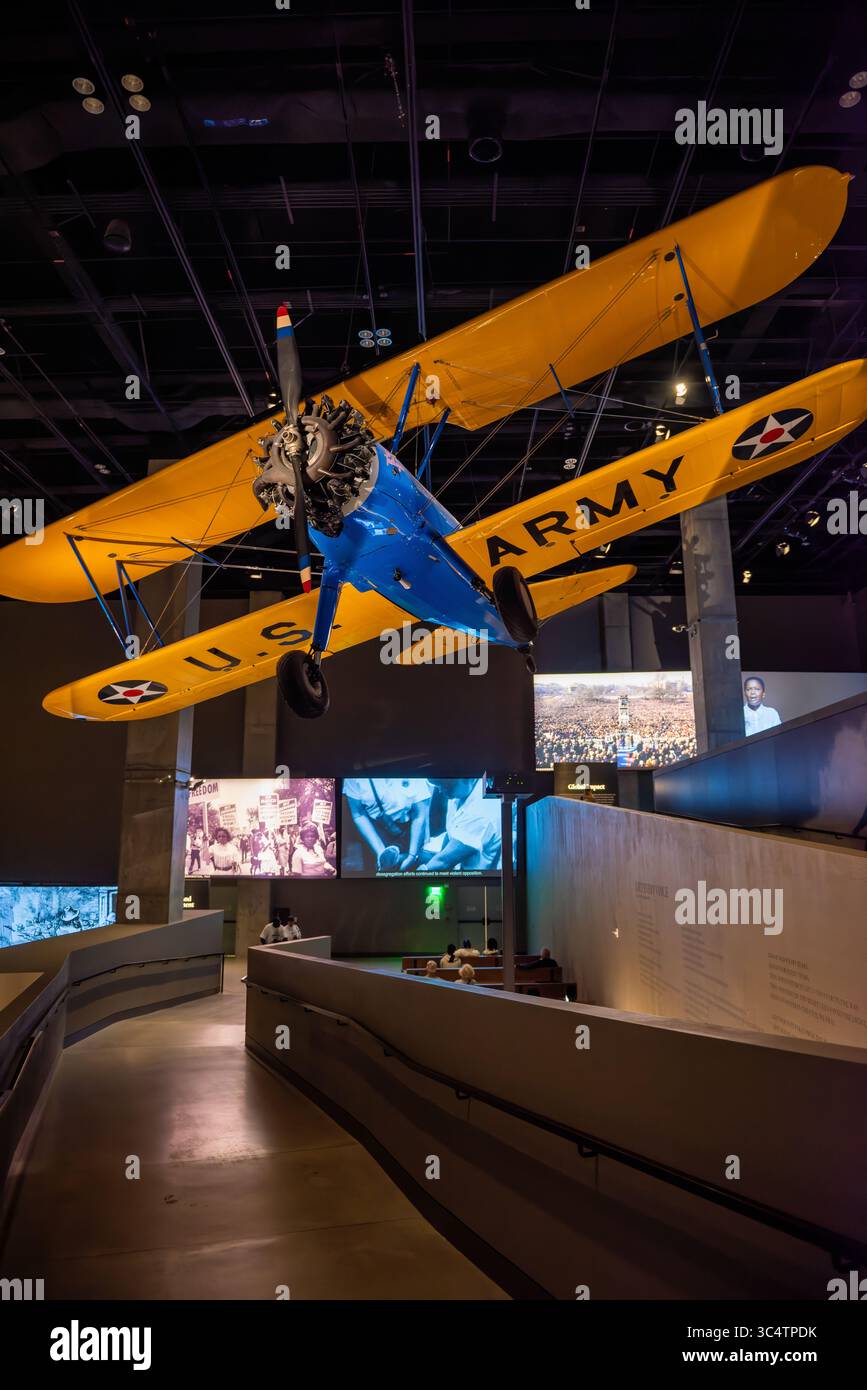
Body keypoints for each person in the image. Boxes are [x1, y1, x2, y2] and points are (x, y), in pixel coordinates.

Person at [343, 777, 433, 873]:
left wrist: (412, 856)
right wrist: (380, 852)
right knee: (379, 874)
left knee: (407, 872)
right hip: (374, 831)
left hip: (408, 830)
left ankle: (400, 859)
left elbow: (419, 815)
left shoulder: (413, 774)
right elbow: (358, 814)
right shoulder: (354, 778)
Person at [425, 778, 501, 871]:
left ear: (468, 779)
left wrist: (417, 873)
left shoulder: (481, 810)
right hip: (457, 867)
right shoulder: (457, 792)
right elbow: (451, 835)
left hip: (475, 877)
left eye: (446, 786)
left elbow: (444, 862)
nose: (440, 791)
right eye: (439, 786)